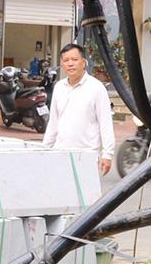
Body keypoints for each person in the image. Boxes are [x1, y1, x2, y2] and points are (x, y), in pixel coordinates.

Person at [43, 41, 115, 177]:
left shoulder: (96, 88)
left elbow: (105, 123)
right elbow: (53, 123)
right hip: (60, 153)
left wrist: (107, 154)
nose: (70, 63)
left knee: (87, 197)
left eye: (74, 59)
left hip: (86, 155)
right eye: (66, 60)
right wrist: (44, 149)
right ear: (62, 64)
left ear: (84, 62)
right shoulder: (59, 87)